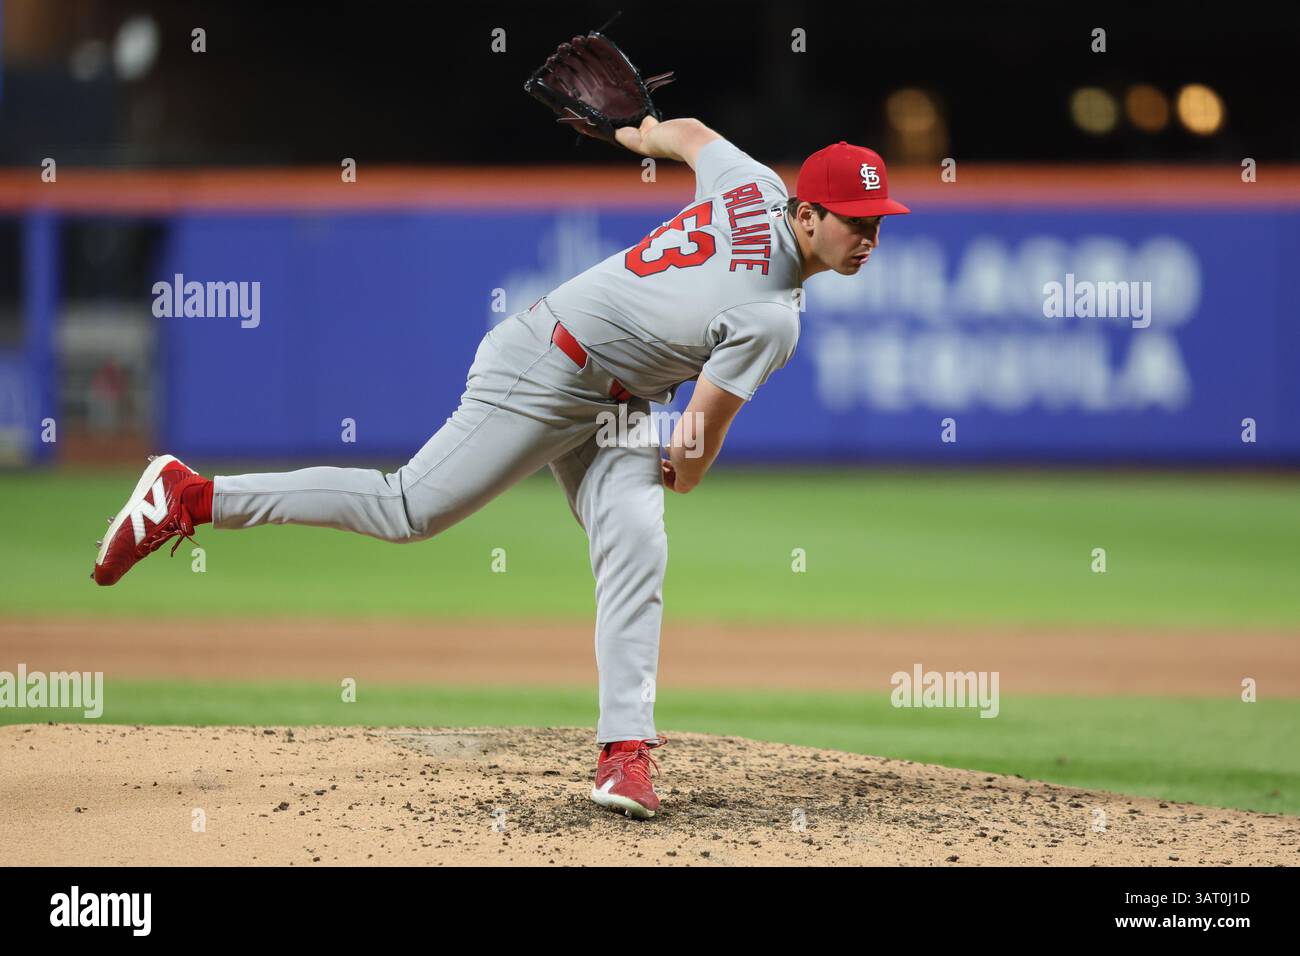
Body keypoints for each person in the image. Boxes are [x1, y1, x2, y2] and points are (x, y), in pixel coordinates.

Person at [92, 116, 910, 819]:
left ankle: (625, 753)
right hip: (546, 369)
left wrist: (633, 131)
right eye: (854, 220)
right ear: (805, 214)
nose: (869, 236)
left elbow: (691, 136)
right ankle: (192, 496)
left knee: (636, 536)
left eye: (878, 220)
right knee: (407, 508)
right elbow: (693, 449)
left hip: (614, 398)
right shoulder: (772, 316)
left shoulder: (749, 181)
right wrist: (681, 471)